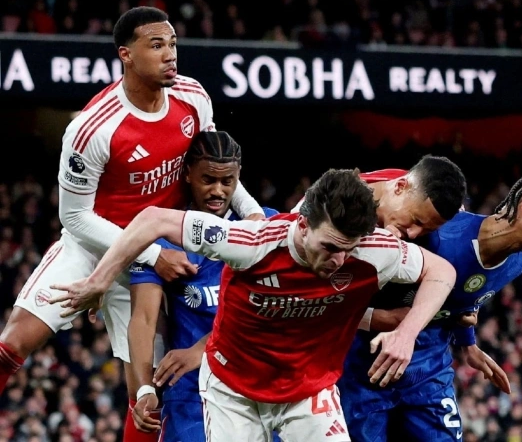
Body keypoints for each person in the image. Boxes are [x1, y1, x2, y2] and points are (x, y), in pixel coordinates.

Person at [0, 6, 264, 442]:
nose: (170, 54)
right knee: (13, 341)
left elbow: (213, 166)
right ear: (126, 54)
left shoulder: (193, 97)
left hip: (162, 253)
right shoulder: (92, 129)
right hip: (97, 244)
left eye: (172, 44)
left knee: (149, 391)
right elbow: (74, 216)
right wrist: (152, 253)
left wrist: (252, 216)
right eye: (156, 45)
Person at [49, 169, 460, 442]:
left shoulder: (374, 249)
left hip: (308, 392)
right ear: (302, 225)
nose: (338, 260)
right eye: (330, 246)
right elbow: (153, 219)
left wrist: (406, 334)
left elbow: (442, 272)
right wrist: (98, 280)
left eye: (347, 249)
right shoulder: (251, 242)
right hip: (234, 392)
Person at [338, 169, 522, 441]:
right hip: (368, 367)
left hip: (429, 372)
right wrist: (380, 320)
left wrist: (468, 343)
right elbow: (349, 293)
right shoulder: (439, 232)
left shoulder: (515, 264)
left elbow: (462, 301)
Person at [126, 130, 279, 440]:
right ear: (187, 175)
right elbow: (143, 317)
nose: (217, 191)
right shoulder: (162, 238)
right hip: (191, 394)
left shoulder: (267, 227)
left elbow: (275, 310)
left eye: (227, 181)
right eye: (208, 180)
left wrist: (203, 349)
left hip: (260, 389)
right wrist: (145, 389)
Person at [293, 155, 467, 240]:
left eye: (428, 229)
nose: (414, 234)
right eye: (417, 221)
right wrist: (374, 244)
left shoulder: (418, 187)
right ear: (399, 187)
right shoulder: (330, 204)